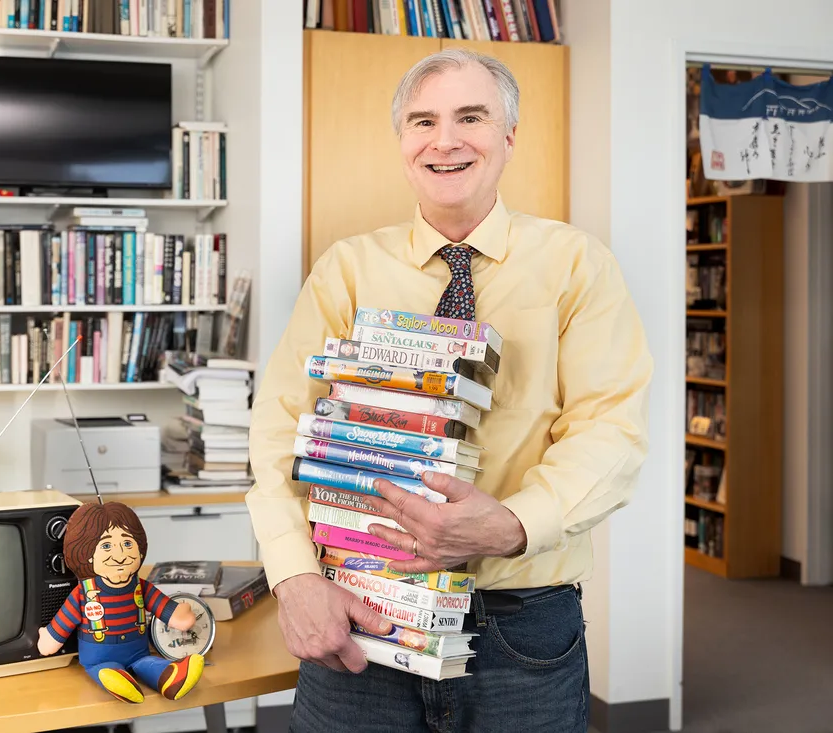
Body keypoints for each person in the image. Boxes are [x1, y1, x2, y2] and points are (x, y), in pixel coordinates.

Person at [244, 48, 653, 732]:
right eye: (422, 120)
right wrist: (293, 575)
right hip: (359, 613)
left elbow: (612, 429)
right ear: (402, 141)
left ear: (509, 135)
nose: (445, 139)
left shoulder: (577, 266)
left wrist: (514, 521)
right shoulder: (345, 272)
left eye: (472, 116)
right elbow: (279, 427)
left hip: (520, 629)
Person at [36, 502, 204, 704]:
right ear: (86, 555)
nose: (120, 554)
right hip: (99, 657)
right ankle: (116, 679)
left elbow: (169, 611)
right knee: (106, 670)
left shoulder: (141, 586)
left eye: (127, 543)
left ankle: (169, 676)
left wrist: (180, 615)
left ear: (140, 549)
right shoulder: (83, 593)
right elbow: (61, 626)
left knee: (147, 663)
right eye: (106, 546)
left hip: (138, 652)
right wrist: (49, 638)